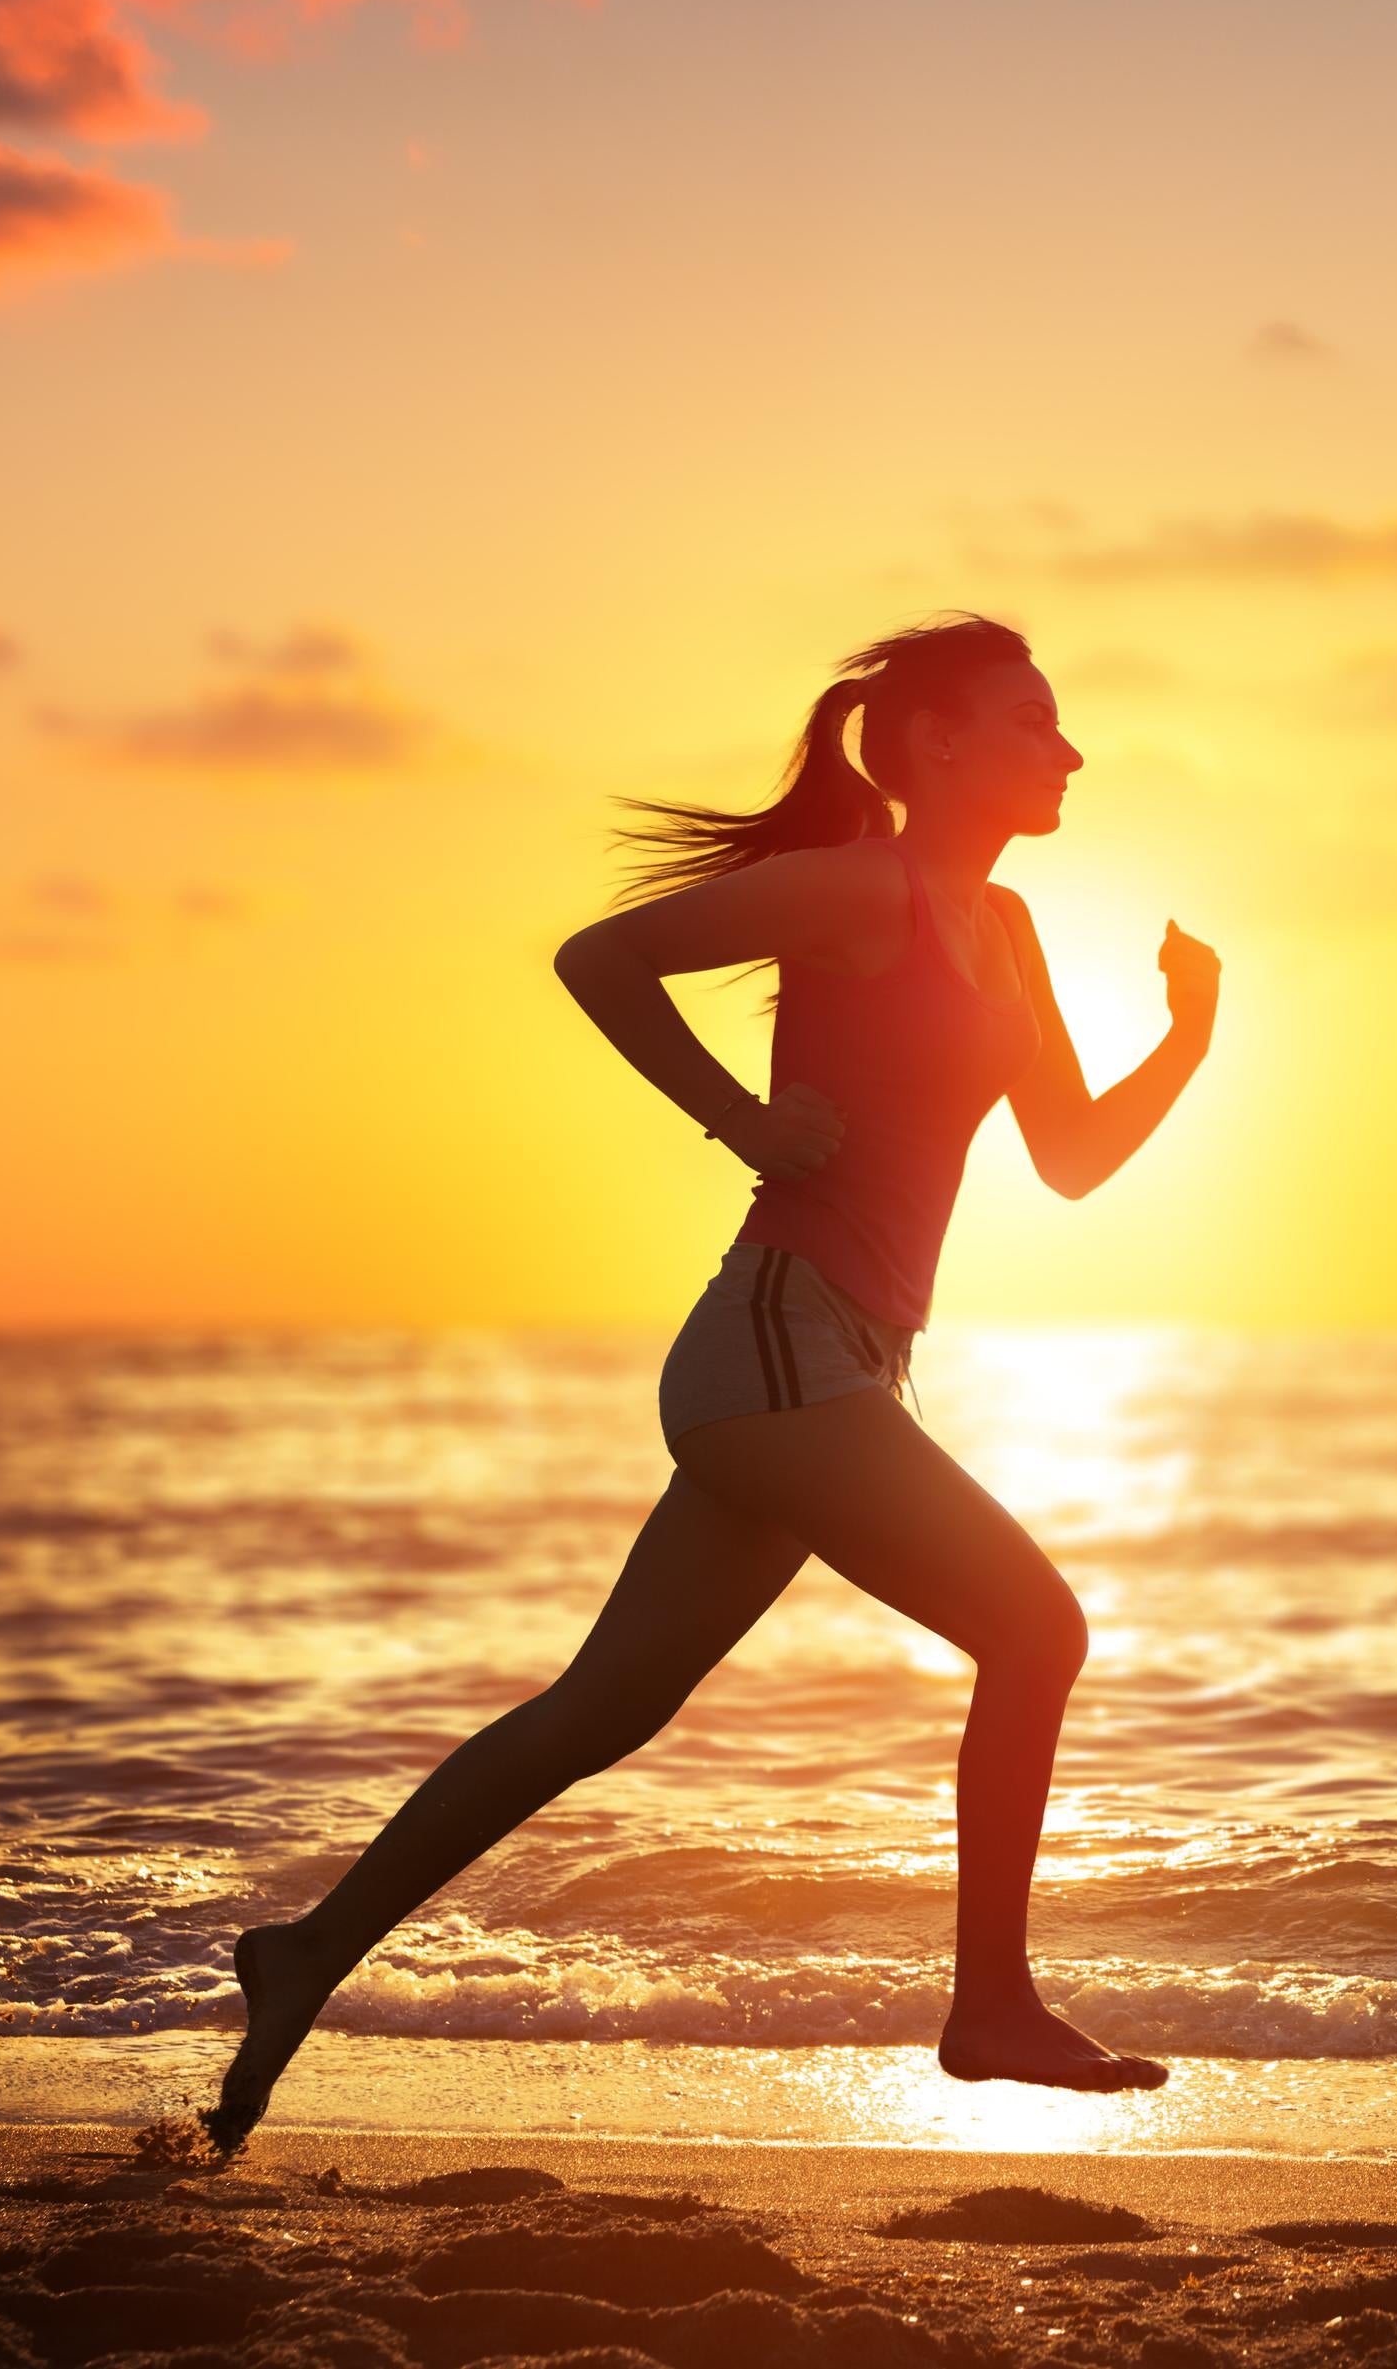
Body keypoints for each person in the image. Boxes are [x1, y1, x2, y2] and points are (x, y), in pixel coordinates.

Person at [204, 615, 1210, 2149]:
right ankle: (989, 2001)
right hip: (775, 1345)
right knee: (1039, 1626)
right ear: (935, 741)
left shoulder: (999, 928)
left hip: (836, 1361)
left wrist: (1188, 1041)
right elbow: (598, 959)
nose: (1069, 750)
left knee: (597, 1711)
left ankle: (304, 1954)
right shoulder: (862, 889)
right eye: (1033, 722)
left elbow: (1068, 1157)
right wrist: (739, 1119)